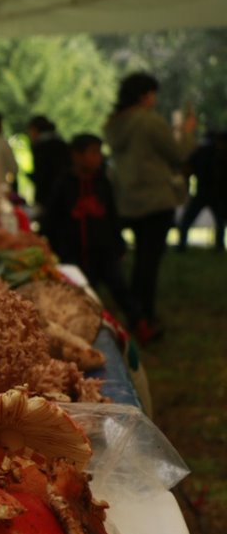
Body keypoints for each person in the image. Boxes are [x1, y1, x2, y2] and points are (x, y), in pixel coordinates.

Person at [104, 71, 197, 339]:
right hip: (155, 201)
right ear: (145, 95)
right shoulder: (149, 122)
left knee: (138, 262)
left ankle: (136, 312)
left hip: (127, 201)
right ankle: (143, 315)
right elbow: (178, 154)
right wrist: (187, 133)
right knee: (148, 263)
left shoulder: (114, 125)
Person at [41, 133, 146, 338]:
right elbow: (51, 218)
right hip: (74, 253)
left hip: (104, 250)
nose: (98, 158)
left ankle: (140, 322)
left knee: (120, 288)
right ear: (76, 156)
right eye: (93, 153)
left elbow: (112, 215)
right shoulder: (64, 184)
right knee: (82, 293)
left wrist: (118, 243)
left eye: (99, 153)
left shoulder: (102, 182)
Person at [176, 130, 227, 251]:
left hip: (208, 192)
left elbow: (187, 169)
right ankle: (218, 246)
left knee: (188, 220)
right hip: (214, 192)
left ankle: (182, 245)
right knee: (219, 221)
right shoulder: (213, 153)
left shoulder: (202, 152)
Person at [26, 114, 69, 208]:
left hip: (48, 197)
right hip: (66, 195)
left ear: (34, 129)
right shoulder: (61, 143)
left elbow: (43, 175)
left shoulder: (41, 146)